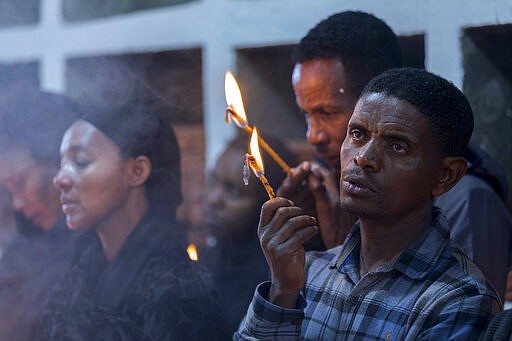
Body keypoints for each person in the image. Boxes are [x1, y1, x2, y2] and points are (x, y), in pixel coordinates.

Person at [236, 68, 501, 340]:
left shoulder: (457, 299)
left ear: (445, 175)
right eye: (358, 134)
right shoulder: (309, 273)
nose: (363, 157)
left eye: (397, 146)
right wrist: (282, 291)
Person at [278, 10, 512, 299]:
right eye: (306, 115)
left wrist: (344, 247)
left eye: (327, 113)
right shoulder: (327, 184)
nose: (312, 135)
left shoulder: (466, 201)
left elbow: (470, 315)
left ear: (378, 96)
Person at [36, 104, 229, 340]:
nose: (59, 179)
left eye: (80, 161)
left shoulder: (180, 291)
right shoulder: (77, 272)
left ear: (137, 171)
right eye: (62, 164)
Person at [0, 90, 86, 341]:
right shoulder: (23, 252)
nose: (17, 203)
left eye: (21, 182)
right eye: (7, 190)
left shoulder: (101, 252)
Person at [200, 133, 298, 331]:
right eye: (213, 181)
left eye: (234, 191)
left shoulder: (277, 280)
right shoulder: (205, 260)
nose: (214, 199)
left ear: (268, 205)